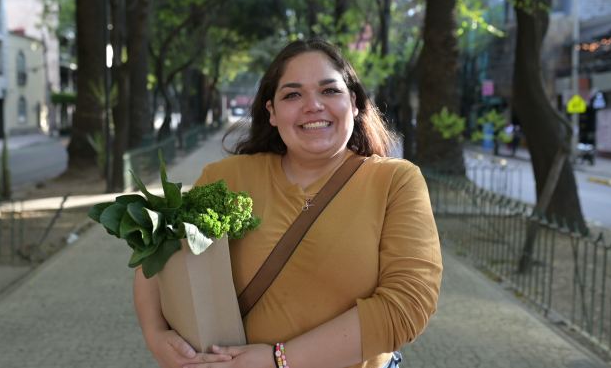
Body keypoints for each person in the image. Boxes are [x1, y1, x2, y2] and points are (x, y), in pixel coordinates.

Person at [133, 38, 443, 368]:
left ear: (353, 102)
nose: (313, 105)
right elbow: (158, 256)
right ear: (272, 112)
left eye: (329, 91)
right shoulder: (226, 177)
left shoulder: (395, 181)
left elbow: (407, 306)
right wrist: (156, 335)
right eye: (293, 94)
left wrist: (278, 360)